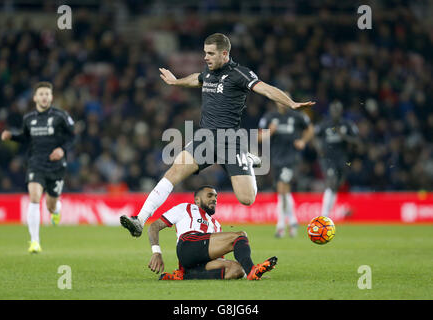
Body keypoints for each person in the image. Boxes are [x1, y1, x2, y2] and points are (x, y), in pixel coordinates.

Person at [120, 33, 314, 237]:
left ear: (224, 53)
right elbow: (198, 79)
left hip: (231, 142)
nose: (205, 57)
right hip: (205, 139)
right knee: (174, 171)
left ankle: (246, 159)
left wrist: (290, 103)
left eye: (210, 53)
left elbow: (265, 89)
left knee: (247, 199)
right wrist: (176, 82)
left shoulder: (240, 74)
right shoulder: (209, 71)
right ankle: (140, 219)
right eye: (205, 53)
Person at [0, 81, 75, 253]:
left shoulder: (61, 116)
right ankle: (34, 242)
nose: (44, 97)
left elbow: (73, 137)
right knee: (34, 197)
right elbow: (26, 138)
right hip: (36, 163)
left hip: (56, 166)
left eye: (47, 94)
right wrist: (12, 136)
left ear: (51, 97)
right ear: (35, 98)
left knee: (50, 204)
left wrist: (62, 150)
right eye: (40, 94)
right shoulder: (29, 119)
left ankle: (56, 209)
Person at [147, 185, 277, 280]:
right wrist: (156, 252)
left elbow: (216, 254)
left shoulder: (216, 225)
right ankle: (252, 270)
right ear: (197, 200)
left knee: (237, 270)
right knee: (240, 235)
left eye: (216, 196)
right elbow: (154, 226)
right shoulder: (185, 208)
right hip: (188, 244)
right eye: (209, 196)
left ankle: (184, 277)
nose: (214, 199)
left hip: (198, 261)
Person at [258, 98, 314, 237]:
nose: (282, 103)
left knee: (282, 187)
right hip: (276, 159)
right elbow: (258, 137)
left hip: (291, 159)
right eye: (280, 100)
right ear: (276, 101)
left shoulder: (297, 116)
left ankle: (281, 224)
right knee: (284, 190)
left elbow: (310, 129)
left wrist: (303, 141)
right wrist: (269, 133)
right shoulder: (269, 117)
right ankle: (293, 221)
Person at [314, 101, 360, 217]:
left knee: (336, 185)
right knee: (331, 181)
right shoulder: (325, 124)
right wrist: (319, 148)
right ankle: (324, 216)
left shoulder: (347, 124)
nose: (335, 113)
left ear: (341, 111)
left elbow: (357, 142)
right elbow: (314, 136)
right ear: (330, 111)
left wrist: (344, 137)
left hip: (343, 160)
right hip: (327, 159)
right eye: (333, 110)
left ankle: (328, 215)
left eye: (337, 110)